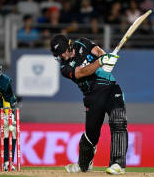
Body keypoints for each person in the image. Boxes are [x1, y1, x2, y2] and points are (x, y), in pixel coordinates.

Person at [50, 34, 128, 175]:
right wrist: (101, 63)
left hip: (110, 87)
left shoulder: (82, 43)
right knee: (91, 135)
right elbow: (81, 72)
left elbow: (98, 51)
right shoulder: (64, 68)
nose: (62, 56)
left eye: (63, 52)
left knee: (118, 121)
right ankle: (84, 164)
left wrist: (106, 60)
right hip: (92, 95)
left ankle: (118, 163)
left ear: (69, 46)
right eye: (59, 55)